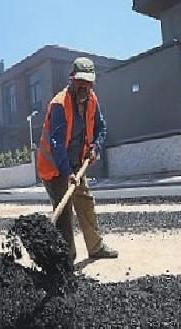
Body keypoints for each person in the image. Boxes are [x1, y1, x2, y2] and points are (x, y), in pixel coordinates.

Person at [36, 57, 119, 264]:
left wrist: (95, 148)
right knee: (63, 212)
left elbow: (101, 128)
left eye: (88, 82)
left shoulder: (92, 100)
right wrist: (67, 173)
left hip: (76, 164)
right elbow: (56, 143)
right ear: (71, 79)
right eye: (80, 82)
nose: (84, 87)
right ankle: (66, 260)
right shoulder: (59, 104)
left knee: (85, 202)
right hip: (55, 168)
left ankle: (96, 247)